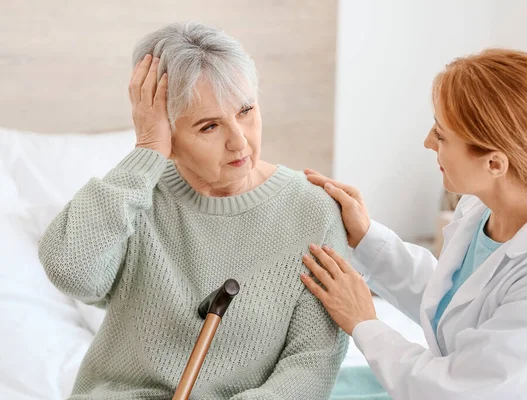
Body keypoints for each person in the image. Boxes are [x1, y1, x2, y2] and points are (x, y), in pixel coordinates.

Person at [39, 21, 348, 399]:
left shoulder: (313, 211)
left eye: (246, 110)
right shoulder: (136, 196)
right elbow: (72, 272)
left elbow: (312, 362)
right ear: (168, 131)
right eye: (208, 127)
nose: (239, 141)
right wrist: (147, 150)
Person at [300, 48, 527, 399]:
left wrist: (363, 322)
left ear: (494, 164)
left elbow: (458, 392)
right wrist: (366, 237)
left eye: (441, 135)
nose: (428, 142)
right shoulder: (481, 208)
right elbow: (453, 301)